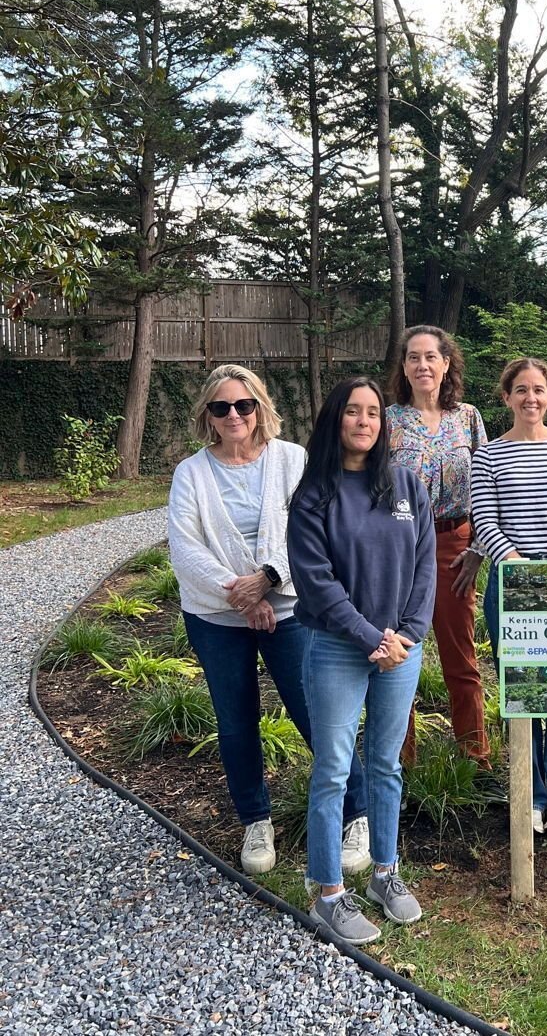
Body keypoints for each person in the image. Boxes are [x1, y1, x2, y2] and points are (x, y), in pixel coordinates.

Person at [168, 364, 368, 878]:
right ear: (207, 416)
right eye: (221, 407)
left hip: (292, 609)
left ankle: (355, 813)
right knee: (236, 723)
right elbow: (187, 551)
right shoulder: (191, 473)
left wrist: (269, 579)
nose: (233, 415)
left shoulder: (292, 459)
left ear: (260, 409)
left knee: (319, 715)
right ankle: (256, 819)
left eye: (243, 405)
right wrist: (245, 596)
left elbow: (309, 528)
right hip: (217, 617)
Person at [287, 376, 436, 945]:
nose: (365, 421)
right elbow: (316, 582)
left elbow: (426, 565)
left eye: (373, 412)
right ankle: (327, 892)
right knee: (332, 769)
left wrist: (409, 635)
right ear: (336, 420)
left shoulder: (404, 485)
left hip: (401, 648)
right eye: (353, 412)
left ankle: (384, 873)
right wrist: (371, 636)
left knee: (387, 765)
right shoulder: (314, 494)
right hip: (337, 647)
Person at [470, 358, 547, 835]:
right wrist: (516, 564)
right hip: (512, 581)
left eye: (539, 390)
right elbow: (484, 519)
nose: (530, 398)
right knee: (526, 693)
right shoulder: (489, 455)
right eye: (520, 390)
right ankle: (531, 794)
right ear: (506, 398)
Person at [386, 325, 490, 769]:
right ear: (404, 367)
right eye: (414, 357)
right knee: (397, 651)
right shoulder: (387, 420)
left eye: (432, 356)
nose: (423, 365)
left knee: (460, 652)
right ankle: (398, 759)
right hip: (400, 546)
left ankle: (474, 753)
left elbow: (487, 486)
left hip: (454, 543)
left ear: (447, 363)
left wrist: (479, 547)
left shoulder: (467, 417)